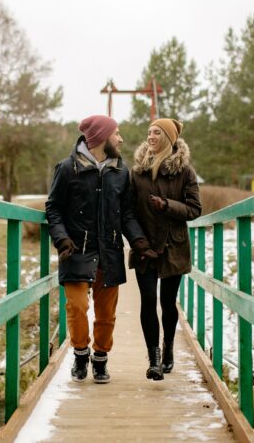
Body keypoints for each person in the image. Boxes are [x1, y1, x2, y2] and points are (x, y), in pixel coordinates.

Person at [46, 114, 157, 384]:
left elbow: (127, 213)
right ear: (100, 138)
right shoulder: (67, 168)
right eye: (116, 133)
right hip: (76, 250)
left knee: (106, 313)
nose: (120, 139)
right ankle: (80, 354)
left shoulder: (121, 171)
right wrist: (61, 239)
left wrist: (139, 241)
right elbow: (53, 208)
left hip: (110, 251)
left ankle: (100, 360)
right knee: (77, 307)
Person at [129, 118, 201, 380]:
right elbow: (128, 211)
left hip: (174, 246)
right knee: (148, 300)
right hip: (145, 246)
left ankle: (168, 348)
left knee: (168, 302)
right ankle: (154, 358)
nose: (150, 136)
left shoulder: (185, 172)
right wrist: (138, 242)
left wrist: (167, 205)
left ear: (169, 138)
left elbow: (194, 210)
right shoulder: (137, 172)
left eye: (156, 132)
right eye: (148, 132)